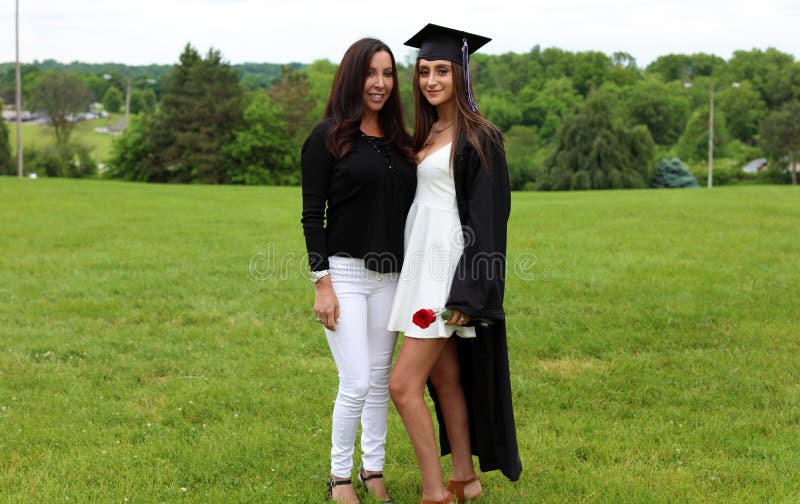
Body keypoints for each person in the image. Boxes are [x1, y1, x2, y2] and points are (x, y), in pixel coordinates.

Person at [387, 24, 522, 503]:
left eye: (442, 70)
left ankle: (433, 493)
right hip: (419, 272)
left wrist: (469, 292)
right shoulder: (429, 131)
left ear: (462, 73)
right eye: (424, 71)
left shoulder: (480, 138)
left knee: (403, 385)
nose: (431, 80)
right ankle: (463, 478)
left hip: (444, 281)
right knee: (444, 377)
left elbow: (489, 223)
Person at [301, 38, 416, 504]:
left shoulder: (400, 141)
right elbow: (312, 217)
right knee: (356, 382)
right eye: (371, 73)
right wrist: (322, 284)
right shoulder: (327, 136)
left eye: (388, 74)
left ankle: (374, 470)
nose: (380, 83)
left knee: (378, 377)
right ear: (353, 76)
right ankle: (338, 478)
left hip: (390, 278)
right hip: (344, 275)